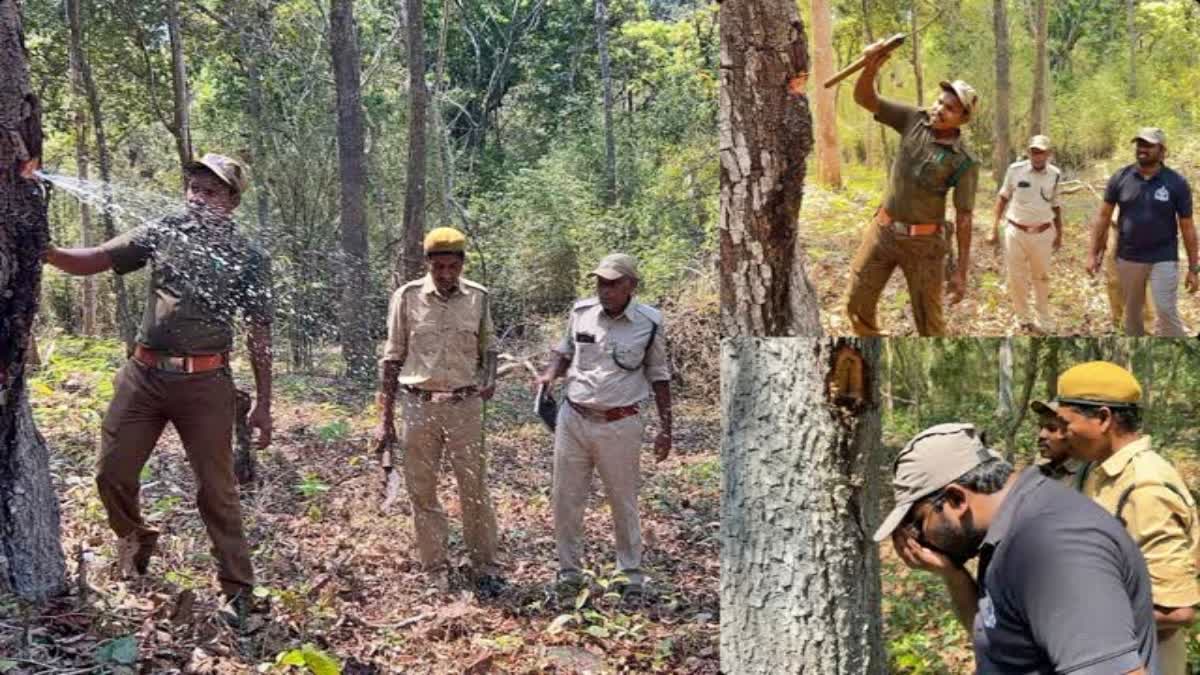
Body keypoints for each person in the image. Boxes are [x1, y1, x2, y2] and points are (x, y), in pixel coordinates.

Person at [45, 153, 273, 624]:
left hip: (207, 384)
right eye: (192, 186)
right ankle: (135, 535)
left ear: (231, 201)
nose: (196, 197)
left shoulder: (250, 259)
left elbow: (260, 334)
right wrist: (43, 250)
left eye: (209, 191)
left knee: (218, 491)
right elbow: (94, 261)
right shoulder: (162, 231)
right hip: (144, 377)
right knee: (111, 473)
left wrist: (265, 405)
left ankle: (238, 590)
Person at [878, 423, 1159, 674]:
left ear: (955, 499)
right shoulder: (1009, 529)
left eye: (917, 523)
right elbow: (1001, 639)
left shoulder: (1056, 548)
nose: (916, 540)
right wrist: (954, 576)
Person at [374, 227, 503, 596]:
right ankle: (435, 569)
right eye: (438, 266)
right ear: (427, 264)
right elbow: (392, 356)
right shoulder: (408, 297)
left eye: (452, 266)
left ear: (462, 263)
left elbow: (488, 346)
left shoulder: (478, 297)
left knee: (474, 488)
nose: (445, 274)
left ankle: (486, 567)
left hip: (465, 406)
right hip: (419, 405)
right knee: (422, 491)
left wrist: (488, 379)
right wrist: (384, 421)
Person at [534, 253, 671, 598]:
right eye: (600, 283)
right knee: (566, 498)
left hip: (620, 423)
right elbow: (564, 352)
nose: (604, 290)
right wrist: (550, 375)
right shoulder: (581, 313)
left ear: (630, 286)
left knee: (622, 500)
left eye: (612, 283)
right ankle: (569, 573)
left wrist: (666, 428)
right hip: (574, 417)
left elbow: (659, 375)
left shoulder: (649, 322)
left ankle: (631, 575)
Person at [1051, 361, 1200, 675]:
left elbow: (1176, 611)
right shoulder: (1098, 469)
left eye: (1066, 423)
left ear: (1103, 418)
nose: (1062, 434)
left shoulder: (1144, 487)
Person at [844, 39, 979, 336]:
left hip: (924, 247)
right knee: (856, 305)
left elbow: (965, 217)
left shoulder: (964, 161)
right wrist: (870, 66)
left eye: (951, 108)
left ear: (963, 118)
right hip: (882, 232)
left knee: (929, 326)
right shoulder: (912, 119)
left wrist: (961, 272)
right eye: (940, 101)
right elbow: (866, 99)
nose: (940, 109)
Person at [1088, 128, 1198, 336]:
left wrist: (1194, 268)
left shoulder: (1176, 183)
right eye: (1139, 144)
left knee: (1166, 310)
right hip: (1128, 257)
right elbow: (1103, 217)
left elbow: (1188, 226)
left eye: (1148, 145)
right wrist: (1092, 254)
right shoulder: (1121, 177)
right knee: (1132, 317)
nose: (1142, 149)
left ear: (1162, 150)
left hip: (1163, 256)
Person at [989, 135, 1063, 333]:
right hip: (1016, 231)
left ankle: (1043, 317)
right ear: (1029, 153)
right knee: (1017, 278)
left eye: (1041, 152)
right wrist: (993, 226)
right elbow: (1003, 197)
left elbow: (1056, 205)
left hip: (1043, 232)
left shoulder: (1055, 174)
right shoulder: (1015, 170)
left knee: (1042, 277)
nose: (1037, 156)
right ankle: (1023, 317)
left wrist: (1060, 234)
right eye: (1034, 152)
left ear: (1049, 154)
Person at [1028, 399, 1084, 486]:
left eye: (1052, 428)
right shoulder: (1038, 473)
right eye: (1040, 427)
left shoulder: (1086, 476)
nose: (1041, 435)